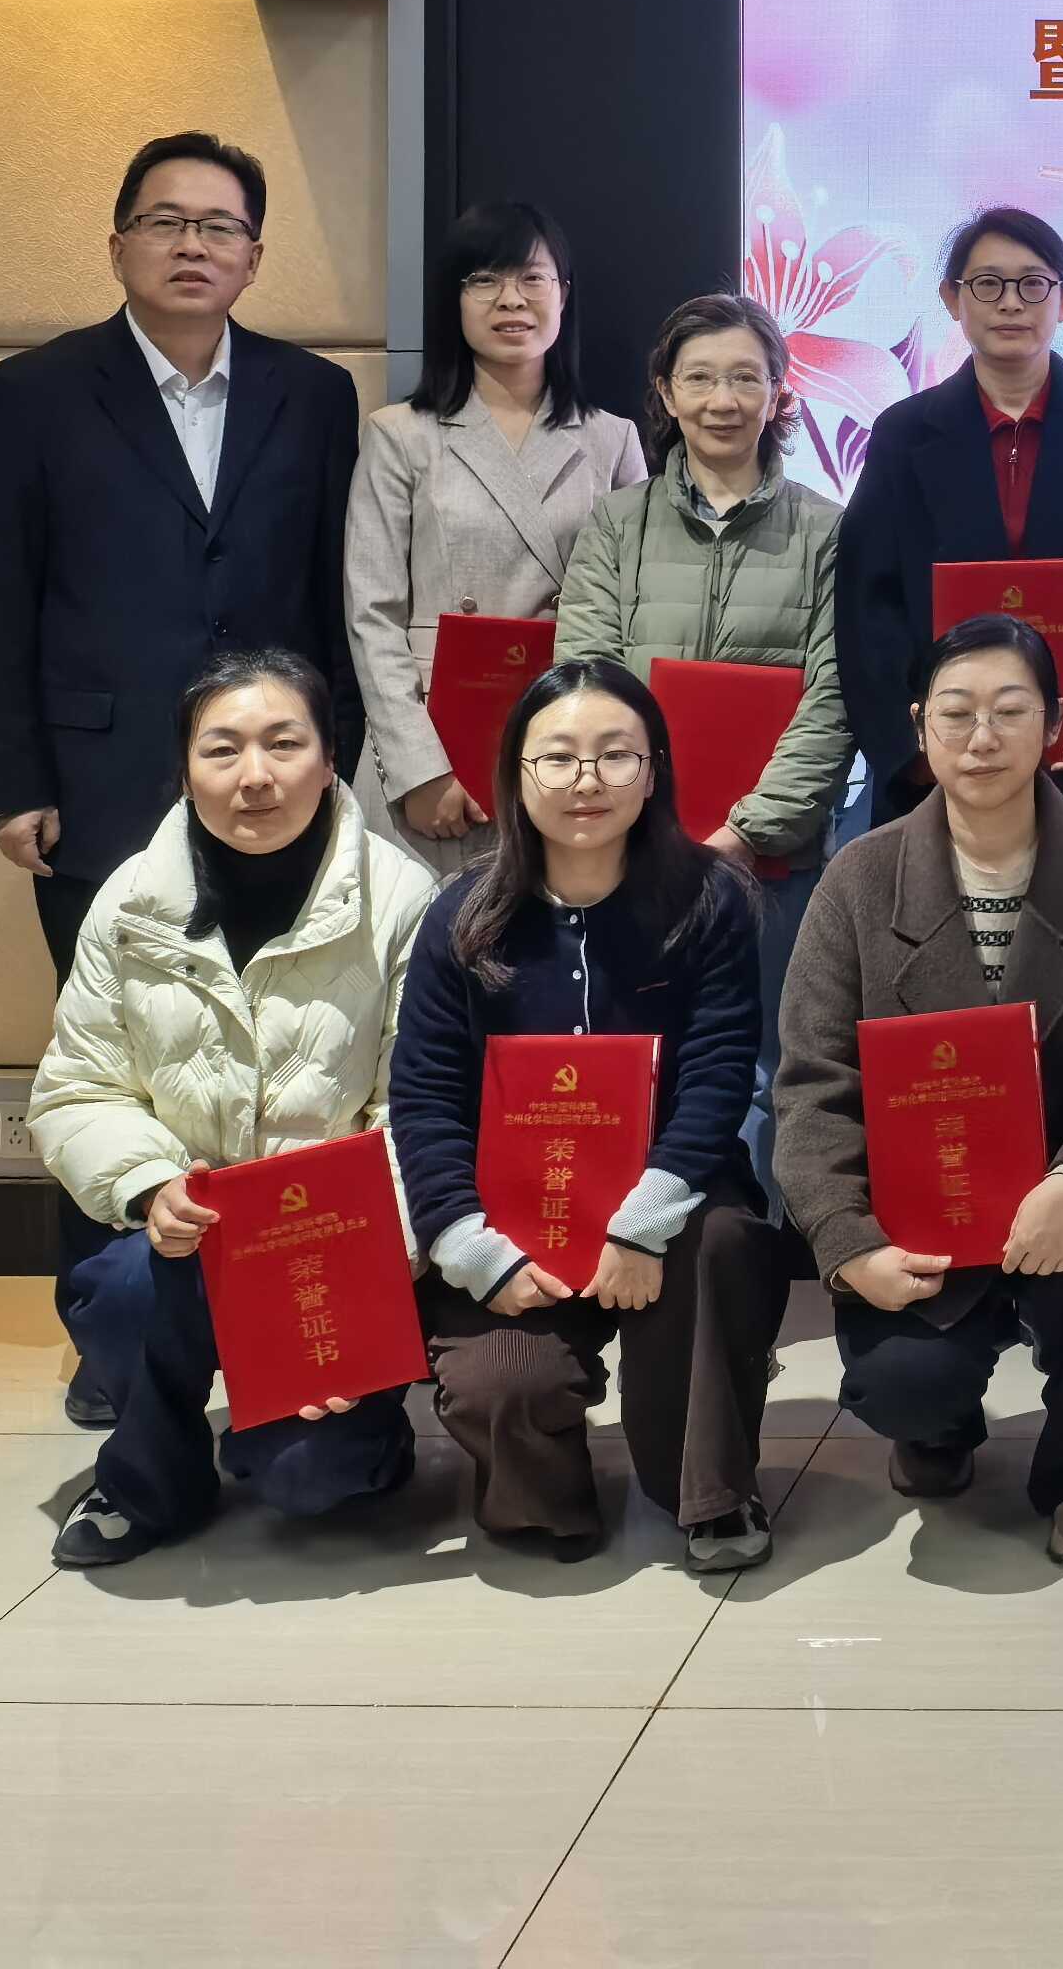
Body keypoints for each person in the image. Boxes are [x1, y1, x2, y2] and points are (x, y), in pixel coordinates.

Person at [0, 130, 366, 1399]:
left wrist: (337, 766)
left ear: (254, 256)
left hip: (279, 785)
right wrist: (10, 778)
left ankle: (285, 1317)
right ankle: (114, 1338)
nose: (193, 245)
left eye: (220, 226)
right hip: (100, 779)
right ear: (119, 242)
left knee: (285, 1051)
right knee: (115, 1064)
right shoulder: (30, 394)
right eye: (167, 222)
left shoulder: (313, 394)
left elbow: (332, 596)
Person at [774, 616, 1063, 1568]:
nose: (982, 738)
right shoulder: (858, 877)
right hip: (922, 1203)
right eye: (955, 713)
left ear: (1056, 722)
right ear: (919, 726)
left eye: (1011, 711)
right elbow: (812, 1083)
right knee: (903, 1384)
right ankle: (940, 1423)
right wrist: (848, 1240)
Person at [27, 648, 436, 1568]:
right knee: (121, 1293)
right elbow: (79, 1085)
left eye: (284, 744)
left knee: (310, 1482)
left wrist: (366, 1275)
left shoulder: (403, 899)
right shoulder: (129, 902)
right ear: (185, 771)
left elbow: (419, 1110)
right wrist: (151, 1185)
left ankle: (365, 1437)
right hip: (191, 1239)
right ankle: (149, 1478)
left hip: (331, 1251)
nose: (255, 776)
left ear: (329, 760)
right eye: (222, 750)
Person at [384, 659, 793, 1570]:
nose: (587, 781)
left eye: (616, 755)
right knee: (502, 1386)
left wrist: (643, 1223)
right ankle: (543, 1496)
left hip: (675, 1197)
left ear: (653, 771)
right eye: (558, 757)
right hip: (511, 1218)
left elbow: (720, 1075)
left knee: (723, 1247)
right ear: (516, 774)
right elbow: (424, 1098)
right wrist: (472, 1247)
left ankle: (711, 1490)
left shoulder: (712, 902)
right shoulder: (461, 917)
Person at [555, 292, 854, 1178]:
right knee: (636, 1058)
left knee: (777, 1067)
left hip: (775, 863)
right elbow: (586, 684)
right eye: (700, 379)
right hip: (632, 851)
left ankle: (769, 1241)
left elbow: (836, 697)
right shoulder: (618, 525)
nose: (723, 400)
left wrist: (747, 831)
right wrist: (645, 822)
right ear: (666, 392)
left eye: (745, 379)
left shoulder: (828, 531)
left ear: (779, 393)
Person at [840, 206, 1063, 851]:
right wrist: (912, 741)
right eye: (988, 283)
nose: (1011, 303)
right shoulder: (902, 434)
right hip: (942, 768)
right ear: (953, 300)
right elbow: (867, 604)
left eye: (1033, 284)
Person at [343, 199, 645, 865]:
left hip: (568, 746)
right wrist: (418, 769)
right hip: (432, 745)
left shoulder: (612, 440)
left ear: (563, 294)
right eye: (485, 279)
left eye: (533, 278)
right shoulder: (400, 436)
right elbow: (372, 616)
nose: (512, 299)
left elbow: (634, 611)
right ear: (454, 300)